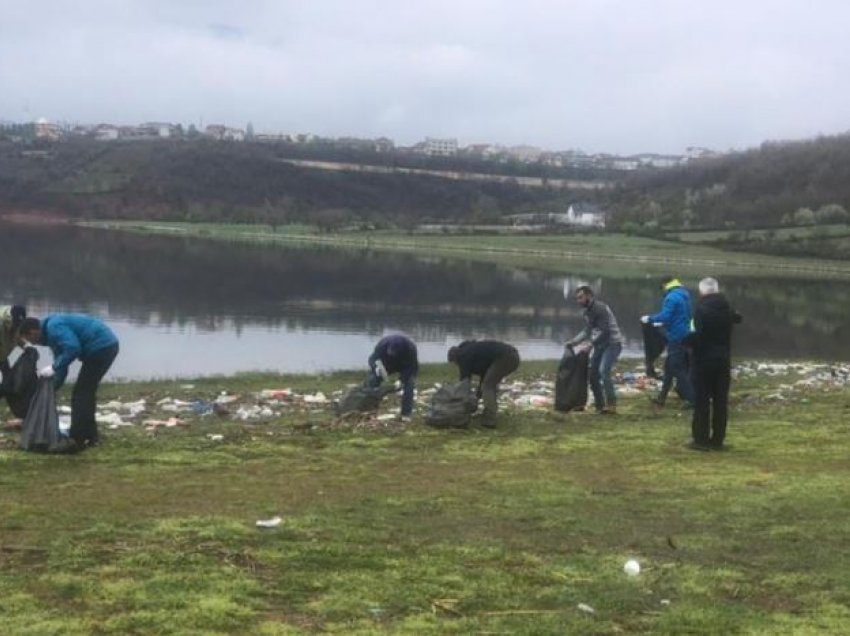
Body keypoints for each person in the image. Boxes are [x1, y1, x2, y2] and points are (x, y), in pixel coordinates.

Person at [18, 314, 119, 448]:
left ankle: (79, 437)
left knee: (82, 394)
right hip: (101, 347)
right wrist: (51, 388)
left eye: (29, 339)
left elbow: (73, 348)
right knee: (84, 393)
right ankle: (90, 435)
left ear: (33, 331)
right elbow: (62, 367)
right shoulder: (50, 335)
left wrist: (54, 367)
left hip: (102, 346)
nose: (32, 343)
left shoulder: (54, 327)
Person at [685, 277, 742, 451]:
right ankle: (718, 440)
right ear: (717, 290)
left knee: (702, 401)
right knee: (720, 401)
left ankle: (700, 439)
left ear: (702, 292)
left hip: (703, 361)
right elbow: (738, 318)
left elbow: (696, 335)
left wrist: (686, 342)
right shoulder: (727, 308)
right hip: (723, 360)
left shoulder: (700, 310)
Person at [565, 285, 623, 414]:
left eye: (581, 297)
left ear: (589, 296)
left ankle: (612, 405)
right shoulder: (587, 311)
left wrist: (590, 344)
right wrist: (574, 342)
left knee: (603, 372)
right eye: (577, 299)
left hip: (612, 344)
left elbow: (605, 331)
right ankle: (599, 406)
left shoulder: (599, 308)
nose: (578, 301)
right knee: (593, 375)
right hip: (600, 345)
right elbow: (588, 330)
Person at [642, 276, 695, 409]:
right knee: (668, 368)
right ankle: (662, 398)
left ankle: (693, 399)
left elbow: (666, 315)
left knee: (677, 369)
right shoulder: (684, 295)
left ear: (665, 285)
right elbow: (682, 316)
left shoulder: (671, 297)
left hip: (676, 337)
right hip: (685, 334)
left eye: (662, 288)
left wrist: (650, 318)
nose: (662, 291)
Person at [447, 340, 520, 428]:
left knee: (488, 386)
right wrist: (478, 394)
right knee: (489, 385)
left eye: (455, 363)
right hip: (512, 355)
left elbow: (464, 383)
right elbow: (484, 374)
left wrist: (459, 401)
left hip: (505, 357)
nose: (457, 366)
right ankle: (490, 413)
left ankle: (489, 420)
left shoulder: (463, 356)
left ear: (455, 358)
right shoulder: (472, 352)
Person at [367, 334, 418, 421]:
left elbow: (412, 367)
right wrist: (375, 368)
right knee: (372, 380)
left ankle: (406, 414)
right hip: (386, 364)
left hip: (403, 365)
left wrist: (402, 379)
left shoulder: (410, 348)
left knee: (409, 384)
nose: (393, 354)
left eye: (395, 353)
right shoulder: (382, 345)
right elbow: (372, 359)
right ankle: (369, 409)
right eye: (391, 352)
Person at [0, 305, 27, 391]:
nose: (16, 327)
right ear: (11, 318)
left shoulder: (18, 323)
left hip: (5, 353)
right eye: (15, 324)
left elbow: (18, 341)